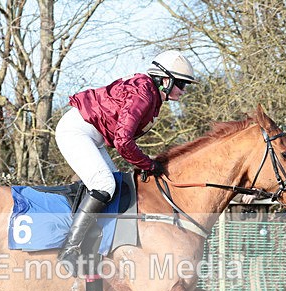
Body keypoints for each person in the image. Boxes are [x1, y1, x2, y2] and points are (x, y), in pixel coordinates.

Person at [54, 50, 198, 274]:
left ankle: (96, 247)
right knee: (105, 185)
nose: (184, 89)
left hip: (92, 136)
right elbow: (123, 141)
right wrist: (147, 164)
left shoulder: (150, 94)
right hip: (76, 131)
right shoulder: (144, 94)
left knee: (117, 187)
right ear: (166, 80)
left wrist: (144, 162)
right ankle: (69, 250)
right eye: (181, 83)